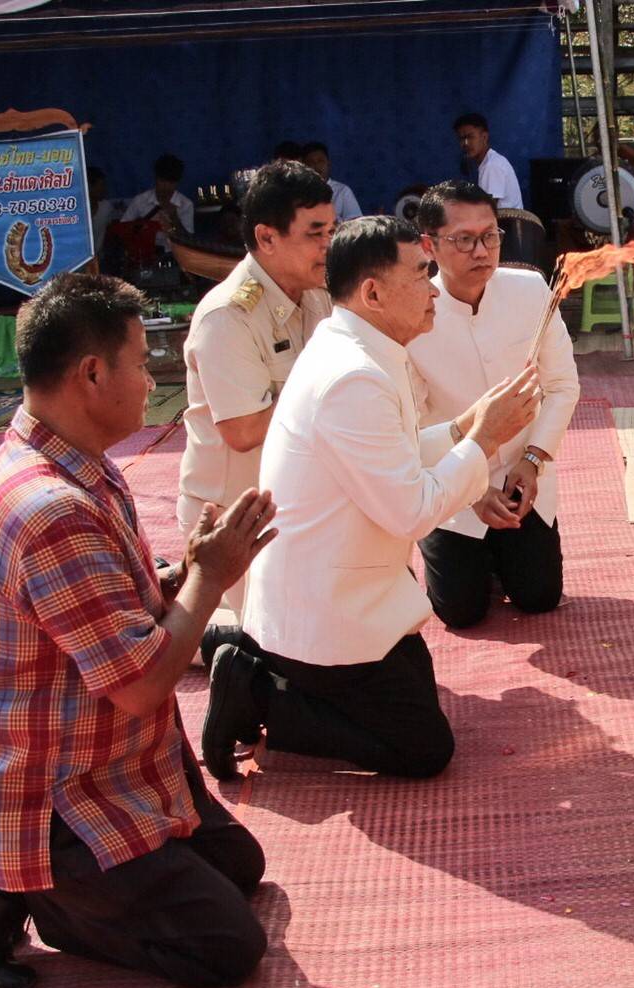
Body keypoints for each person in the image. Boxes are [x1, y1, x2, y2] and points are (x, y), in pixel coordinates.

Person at [0, 272, 277, 988]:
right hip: (58, 794)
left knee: (240, 869)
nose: (148, 376)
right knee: (228, 949)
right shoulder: (51, 508)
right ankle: (7, 881)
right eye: (137, 360)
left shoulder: (76, 465)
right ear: (91, 373)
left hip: (118, 758)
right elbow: (142, 683)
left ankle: (34, 874)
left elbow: (114, 609)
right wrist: (209, 579)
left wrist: (180, 575)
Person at [200, 216, 539, 781]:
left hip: (345, 593)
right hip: (324, 610)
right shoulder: (352, 375)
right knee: (424, 749)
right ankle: (259, 694)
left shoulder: (356, 345)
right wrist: (484, 439)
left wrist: (462, 431)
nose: (435, 289)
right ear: (373, 292)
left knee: (413, 687)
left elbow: (396, 453)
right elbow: (411, 508)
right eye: (421, 274)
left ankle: (245, 647)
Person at [409, 180, 578, 628]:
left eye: (490, 236)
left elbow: (562, 386)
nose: (481, 251)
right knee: (459, 613)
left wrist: (533, 458)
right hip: (450, 481)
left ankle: (504, 561)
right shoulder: (410, 310)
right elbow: (407, 428)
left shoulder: (530, 290)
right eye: (464, 240)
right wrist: (469, 489)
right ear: (430, 245)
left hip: (524, 479)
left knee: (539, 596)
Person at [178, 160, 333, 620]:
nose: (329, 246)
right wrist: (327, 392)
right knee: (264, 655)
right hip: (234, 525)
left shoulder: (317, 295)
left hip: (299, 507)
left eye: (332, 231)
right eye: (315, 233)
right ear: (267, 238)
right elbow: (244, 430)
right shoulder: (227, 317)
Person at [121, 154, 195, 249]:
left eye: (171, 183)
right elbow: (122, 229)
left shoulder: (185, 204)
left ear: (178, 182)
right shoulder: (140, 201)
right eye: (162, 181)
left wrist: (174, 217)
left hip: (173, 255)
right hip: (144, 254)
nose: (166, 187)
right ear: (156, 178)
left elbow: (189, 240)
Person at [453, 112, 523, 210]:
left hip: (507, 224)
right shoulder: (489, 161)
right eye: (462, 138)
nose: (465, 143)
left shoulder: (491, 165)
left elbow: (486, 211)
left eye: (470, 137)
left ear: (484, 137)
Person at [301, 141, 363, 222]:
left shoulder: (342, 191)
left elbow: (355, 225)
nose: (316, 166)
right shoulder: (299, 192)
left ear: (328, 163)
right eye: (311, 162)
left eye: (320, 161)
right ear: (304, 166)